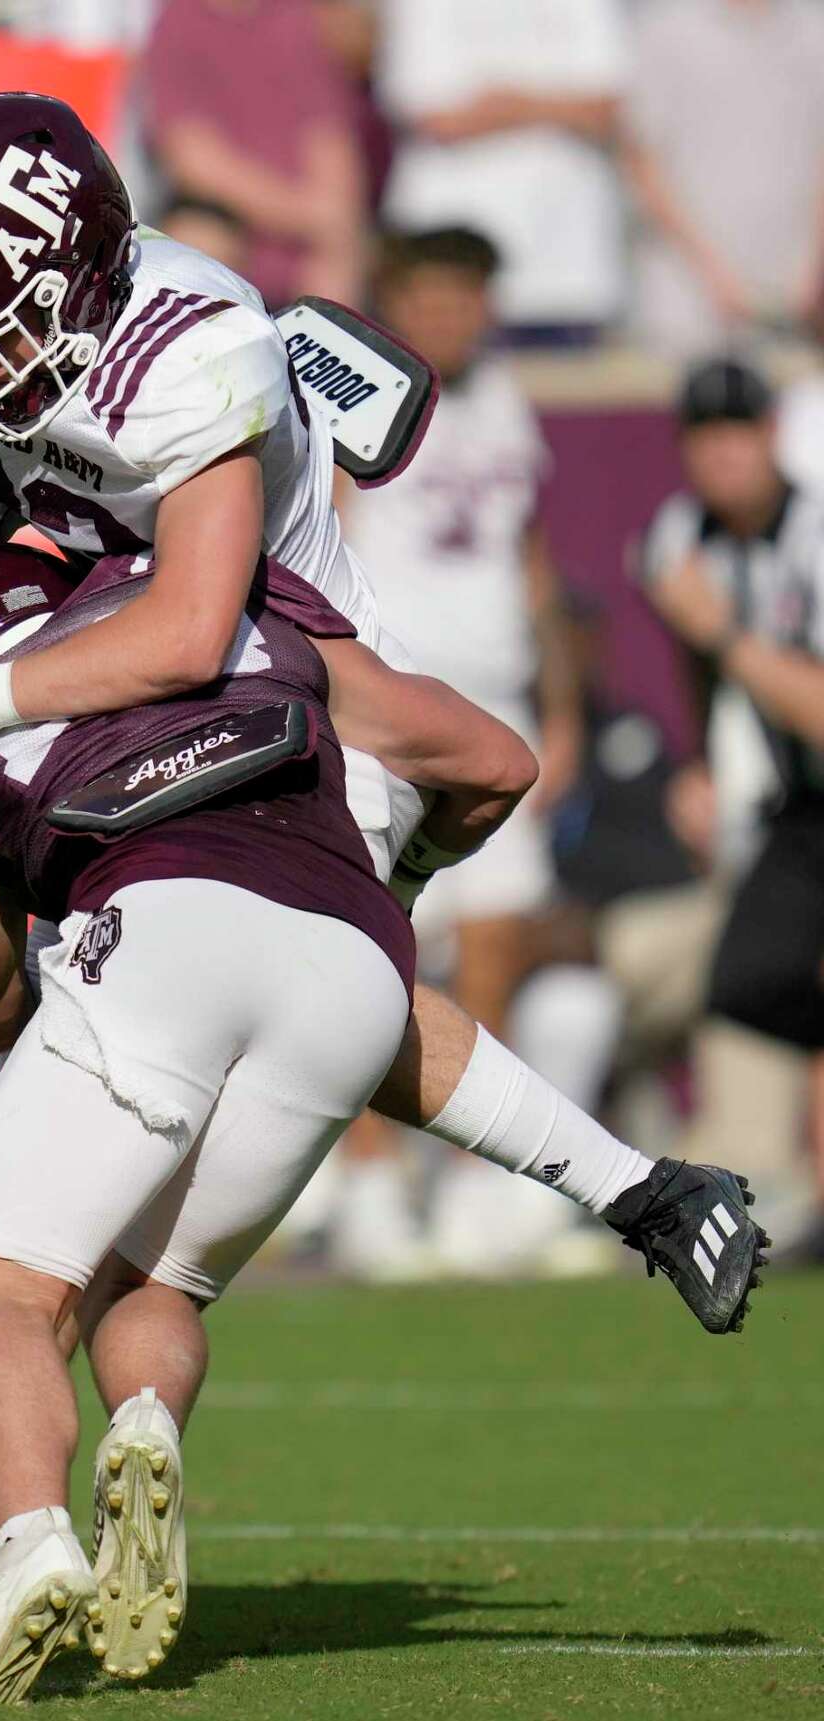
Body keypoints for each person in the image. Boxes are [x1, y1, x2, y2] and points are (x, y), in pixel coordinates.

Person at [0, 544, 768, 1683]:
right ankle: (148, 1429)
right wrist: (396, 884)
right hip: (359, 955)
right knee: (150, 1283)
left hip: (159, 932)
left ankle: (19, 1550)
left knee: (2, 1298)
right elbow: (494, 759)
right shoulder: (252, 625)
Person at [334, 225, 586, 1277]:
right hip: (391, 704)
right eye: (428, 294)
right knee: (359, 945)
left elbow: (534, 567)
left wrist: (561, 707)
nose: (449, 314)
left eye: (466, 294)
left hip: (498, 705)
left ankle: (479, 1180)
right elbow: (325, 532)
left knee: (494, 947)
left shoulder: (506, 403)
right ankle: (369, 1183)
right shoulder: (359, 396)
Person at [641, 358, 824, 1221]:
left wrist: (726, 635)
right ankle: (775, 1183)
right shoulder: (683, 535)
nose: (721, 457)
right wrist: (705, 761)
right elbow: (697, 669)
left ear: (770, 437)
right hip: (800, 808)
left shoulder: (814, 537)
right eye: (703, 438)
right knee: (751, 976)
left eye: (737, 433)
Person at [374, 0, 629, 343]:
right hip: (446, 278)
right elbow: (435, 117)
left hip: (568, 279)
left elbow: (607, 109)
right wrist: (554, 106)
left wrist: (504, 102)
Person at [625, 0, 824, 358]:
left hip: (793, 302)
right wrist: (714, 275)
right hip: (686, 302)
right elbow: (641, 162)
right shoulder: (665, 29)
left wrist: (812, 270)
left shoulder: (814, 30)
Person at [140, 0, 368, 307]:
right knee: (198, 242)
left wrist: (334, 234)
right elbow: (192, 159)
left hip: (307, 235)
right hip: (223, 219)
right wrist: (310, 218)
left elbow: (330, 136)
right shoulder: (177, 22)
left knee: (338, 281)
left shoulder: (298, 18)